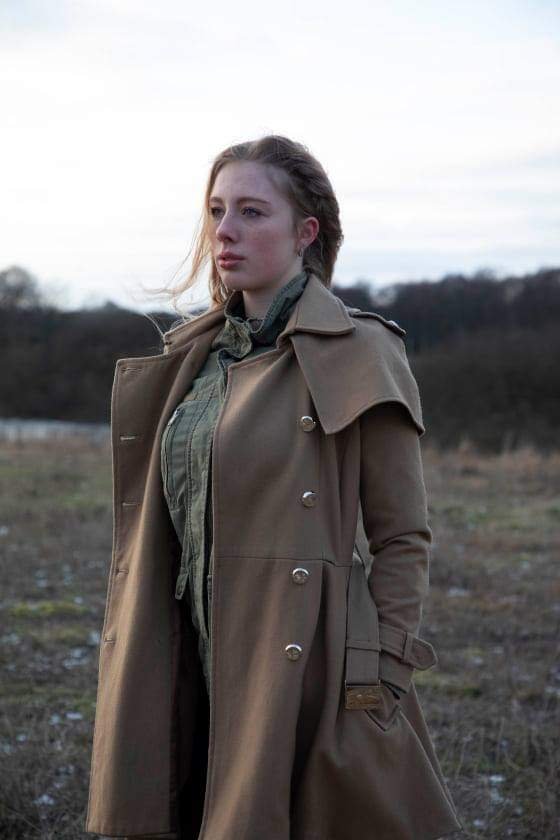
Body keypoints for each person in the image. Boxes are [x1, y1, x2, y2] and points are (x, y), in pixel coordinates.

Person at [85, 134, 463, 839]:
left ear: (305, 232)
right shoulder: (192, 358)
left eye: (252, 212)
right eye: (217, 210)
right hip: (181, 645)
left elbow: (403, 536)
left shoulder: (362, 351)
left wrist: (381, 669)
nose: (225, 231)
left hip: (300, 659)